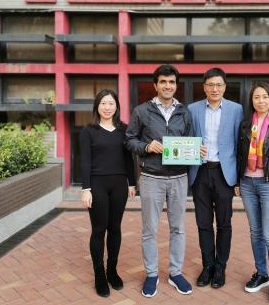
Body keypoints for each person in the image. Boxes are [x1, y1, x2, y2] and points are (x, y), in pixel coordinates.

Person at [126, 64, 194, 298]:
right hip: (151, 178)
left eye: (172, 82)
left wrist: (197, 150)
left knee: (178, 229)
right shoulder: (141, 111)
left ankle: (175, 273)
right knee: (149, 231)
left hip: (178, 178)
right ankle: (152, 274)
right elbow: (129, 140)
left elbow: (191, 141)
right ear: (155, 85)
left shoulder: (184, 112)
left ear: (176, 85)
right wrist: (146, 146)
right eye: (163, 82)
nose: (168, 86)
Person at [236, 82, 269, 304]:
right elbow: (239, 154)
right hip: (248, 183)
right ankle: (261, 274)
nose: (261, 101)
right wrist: (237, 181)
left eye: (265, 97)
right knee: (255, 232)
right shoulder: (245, 124)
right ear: (251, 100)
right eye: (257, 97)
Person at [188, 68, 243, 289]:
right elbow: (185, 139)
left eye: (219, 84)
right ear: (204, 87)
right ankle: (207, 265)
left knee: (224, 224)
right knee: (203, 223)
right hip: (200, 171)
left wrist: (238, 179)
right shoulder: (192, 109)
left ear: (224, 86)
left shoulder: (236, 110)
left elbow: (240, 145)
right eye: (210, 85)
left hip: (224, 173)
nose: (214, 89)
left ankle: (221, 266)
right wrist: (193, 150)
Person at [80, 89, 136, 298]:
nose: (107, 107)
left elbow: (129, 159)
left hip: (119, 185)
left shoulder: (124, 129)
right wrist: (86, 189)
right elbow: (84, 161)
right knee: (99, 229)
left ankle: (112, 270)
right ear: (97, 106)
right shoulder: (89, 131)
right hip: (97, 185)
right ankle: (99, 275)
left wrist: (131, 183)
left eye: (111, 103)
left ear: (116, 106)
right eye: (103, 103)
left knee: (115, 228)